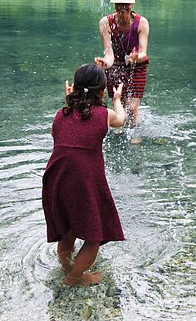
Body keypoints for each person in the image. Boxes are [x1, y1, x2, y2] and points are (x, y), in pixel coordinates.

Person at [42, 63, 126, 286]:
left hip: (56, 178)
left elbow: (60, 136)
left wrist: (70, 102)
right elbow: (121, 120)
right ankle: (74, 277)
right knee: (93, 237)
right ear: (102, 91)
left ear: (74, 88)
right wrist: (117, 99)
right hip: (83, 180)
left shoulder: (61, 114)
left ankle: (66, 266)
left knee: (66, 230)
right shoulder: (103, 114)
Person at [94, 0, 149, 125]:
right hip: (115, 67)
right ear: (114, 3)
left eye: (126, 3)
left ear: (132, 3)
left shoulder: (142, 23)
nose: (122, 7)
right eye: (119, 3)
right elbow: (109, 54)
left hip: (137, 67)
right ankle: (118, 134)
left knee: (132, 108)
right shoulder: (105, 22)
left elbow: (143, 52)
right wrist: (105, 63)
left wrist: (136, 57)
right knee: (119, 105)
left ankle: (136, 135)